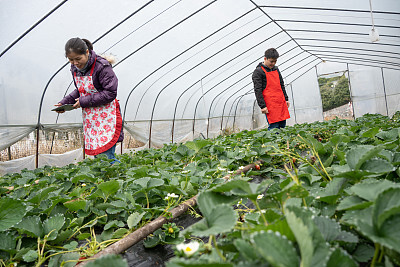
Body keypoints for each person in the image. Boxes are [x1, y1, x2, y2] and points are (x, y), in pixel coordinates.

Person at [55, 37, 123, 164]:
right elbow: (81, 89)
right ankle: (106, 181)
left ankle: (124, 180)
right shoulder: (75, 69)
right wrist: (65, 102)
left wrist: (83, 101)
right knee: (99, 158)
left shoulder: (102, 67)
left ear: (87, 52)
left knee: (107, 159)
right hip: (92, 119)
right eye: (71, 60)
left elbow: (110, 92)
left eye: (78, 59)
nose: (75, 63)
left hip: (106, 117)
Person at [252, 48, 290, 130]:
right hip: (270, 105)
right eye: (271, 61)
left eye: (275, 61)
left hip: (280, 102)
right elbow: (257, 90)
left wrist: (286, 99)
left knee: (282, 126)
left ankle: (283, 142)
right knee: (274, 127)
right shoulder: (258, 72)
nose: (273, 63)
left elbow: (281, 85)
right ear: (265, 58)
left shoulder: (276, 69)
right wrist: (262, 106)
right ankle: (274, 142)